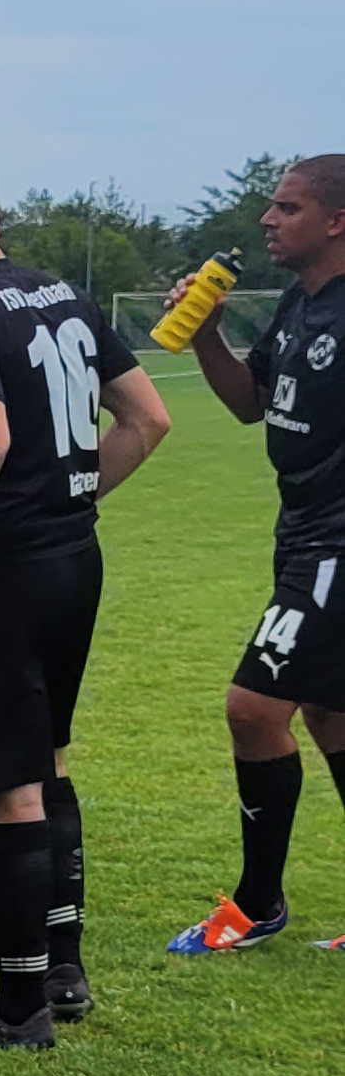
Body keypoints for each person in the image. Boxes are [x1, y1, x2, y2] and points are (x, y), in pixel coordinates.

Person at [0, 154, 170, 1047]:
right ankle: (62, 970)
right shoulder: (65, 295)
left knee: (5, 784)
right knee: (47, 759)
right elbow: (148, 419)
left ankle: (19, 1012)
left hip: (1, 573)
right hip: (74, 560)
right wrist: (68, 498)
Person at [164, 156, 345, 954]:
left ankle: (257, 903)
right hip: (299, 529)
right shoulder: (301, 304)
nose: (269, 219)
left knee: (253, 707)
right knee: (328, 711)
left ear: (336, 221)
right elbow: (251, 403)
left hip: (336, 543)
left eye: (288, 207)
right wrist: (206, 333)